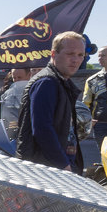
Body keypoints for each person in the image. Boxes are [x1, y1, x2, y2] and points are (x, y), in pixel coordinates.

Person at [15, 31, 87, 173]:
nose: (76, 60)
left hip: (53, 165)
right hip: (45, 169)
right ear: (54, 54)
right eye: (70, 54)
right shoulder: (47, 83)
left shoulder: (60, 81)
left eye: (80, 55)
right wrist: (63, 165)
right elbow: (42, 129)